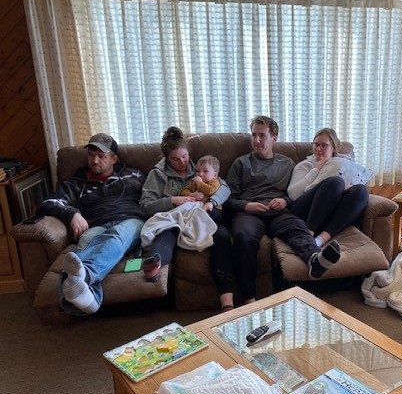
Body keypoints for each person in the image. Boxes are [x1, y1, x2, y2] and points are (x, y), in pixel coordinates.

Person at [225, 116, 342, 303]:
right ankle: (249, 299)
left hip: (278, 211)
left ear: (274, 138)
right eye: (254, 135)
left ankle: (314, 260)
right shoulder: (241, 163)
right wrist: (246, 205)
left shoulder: (287, 164)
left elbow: (295, 193)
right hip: (249, 212)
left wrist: (284, 201)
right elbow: (227, 199)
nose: (256, 140)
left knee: (298, 227)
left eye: (262, 136)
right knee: (242, 237)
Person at [35, 133, 146, 315]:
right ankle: (89, 301)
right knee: (82, 246)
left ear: (114, 159)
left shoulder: (134, 175)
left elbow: (155, 195)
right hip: (96, 226)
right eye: (91, 155)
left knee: (116, 235)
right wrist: (71, 213)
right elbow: (47, 203)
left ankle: (85, 275)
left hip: (130, 221)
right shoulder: (77, 182)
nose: (95, 161)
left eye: (101, 156)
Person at [139, 127, 236, 311]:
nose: (182, 162)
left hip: (202, 216)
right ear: (166, 159)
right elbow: (145, 206)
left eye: (184, 156)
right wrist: (173, 200)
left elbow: (223, 187)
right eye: (175, 159)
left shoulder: (199, 168)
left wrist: (211, 202)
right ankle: (153, 264)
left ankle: (227, 303)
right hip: (175, 219)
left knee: (222, 236)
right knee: (166, 233)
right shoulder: (157, 175)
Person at [287, 128, 369, 247]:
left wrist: (344, 189)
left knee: (361, 191)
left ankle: (321, 239)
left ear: (334, 148)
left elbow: (356, 196)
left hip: (332, 212)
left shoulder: (343, 164)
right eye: (316, 145)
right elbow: (293, 194)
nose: (318, 149)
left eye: (324, 145)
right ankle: (309, 234)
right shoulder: (305, 165)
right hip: (305, 210)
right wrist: (316, 169)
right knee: (335, 182)